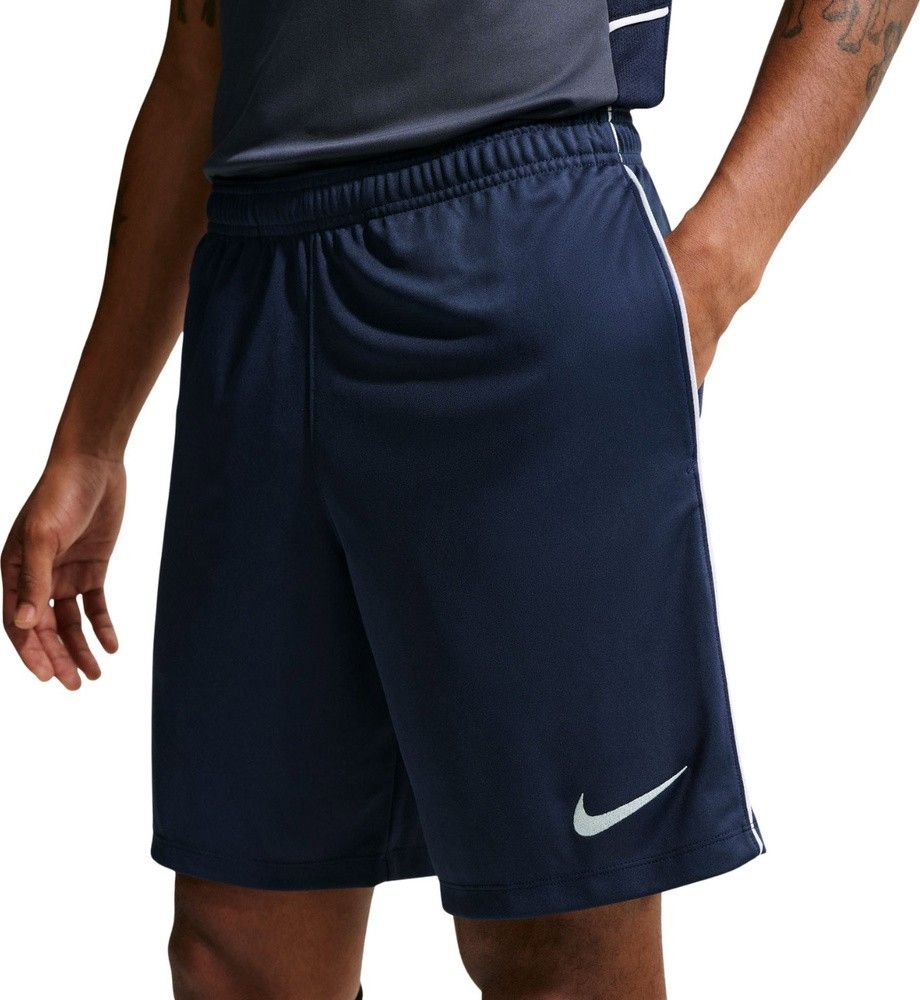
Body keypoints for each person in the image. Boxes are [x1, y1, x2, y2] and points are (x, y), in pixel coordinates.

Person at [2, 2, 915, 997]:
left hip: (521, 233)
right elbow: (199, 51)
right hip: (258, 274)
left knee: (555, 943)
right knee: (236, 952)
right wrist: (91, 436)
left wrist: (715, 265)